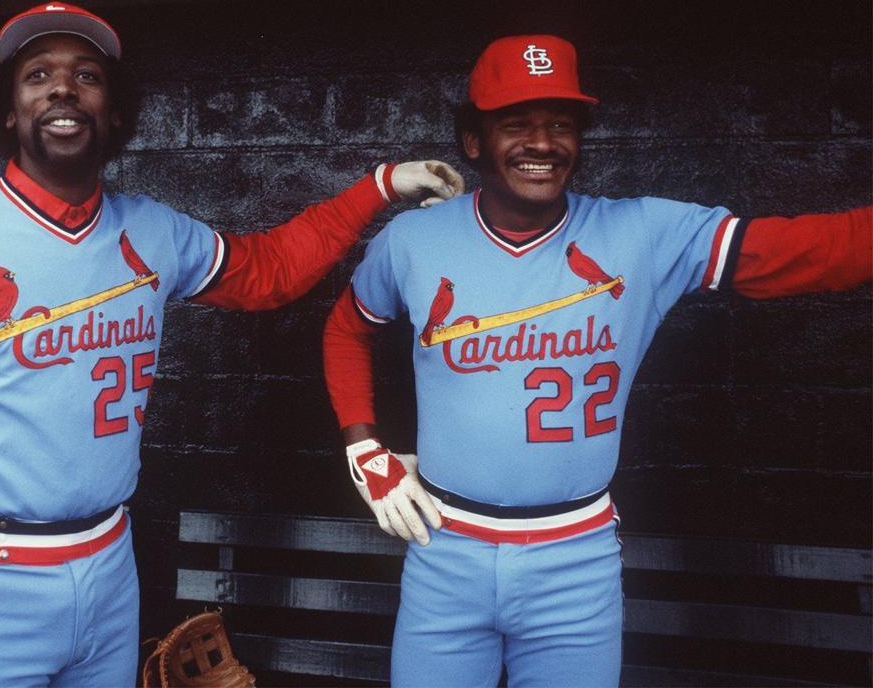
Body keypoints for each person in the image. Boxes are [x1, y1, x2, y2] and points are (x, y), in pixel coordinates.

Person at [0, 0, 465, 687]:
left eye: (87, 76)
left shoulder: (156, 232)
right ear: (10, 113)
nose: (64, 88)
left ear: (118, 113)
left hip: (109, 564)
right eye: (37, 74)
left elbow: (271, 271)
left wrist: (379, 187)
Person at [322, 34, 872, 687]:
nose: (542, 142)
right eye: (515, 123)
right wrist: (364, 446)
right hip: (444, 552)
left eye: (560, 124)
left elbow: (811, 249)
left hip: (574, 563)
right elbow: (345, 330)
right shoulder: (412, 240)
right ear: (473, 141)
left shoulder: (643, 233)